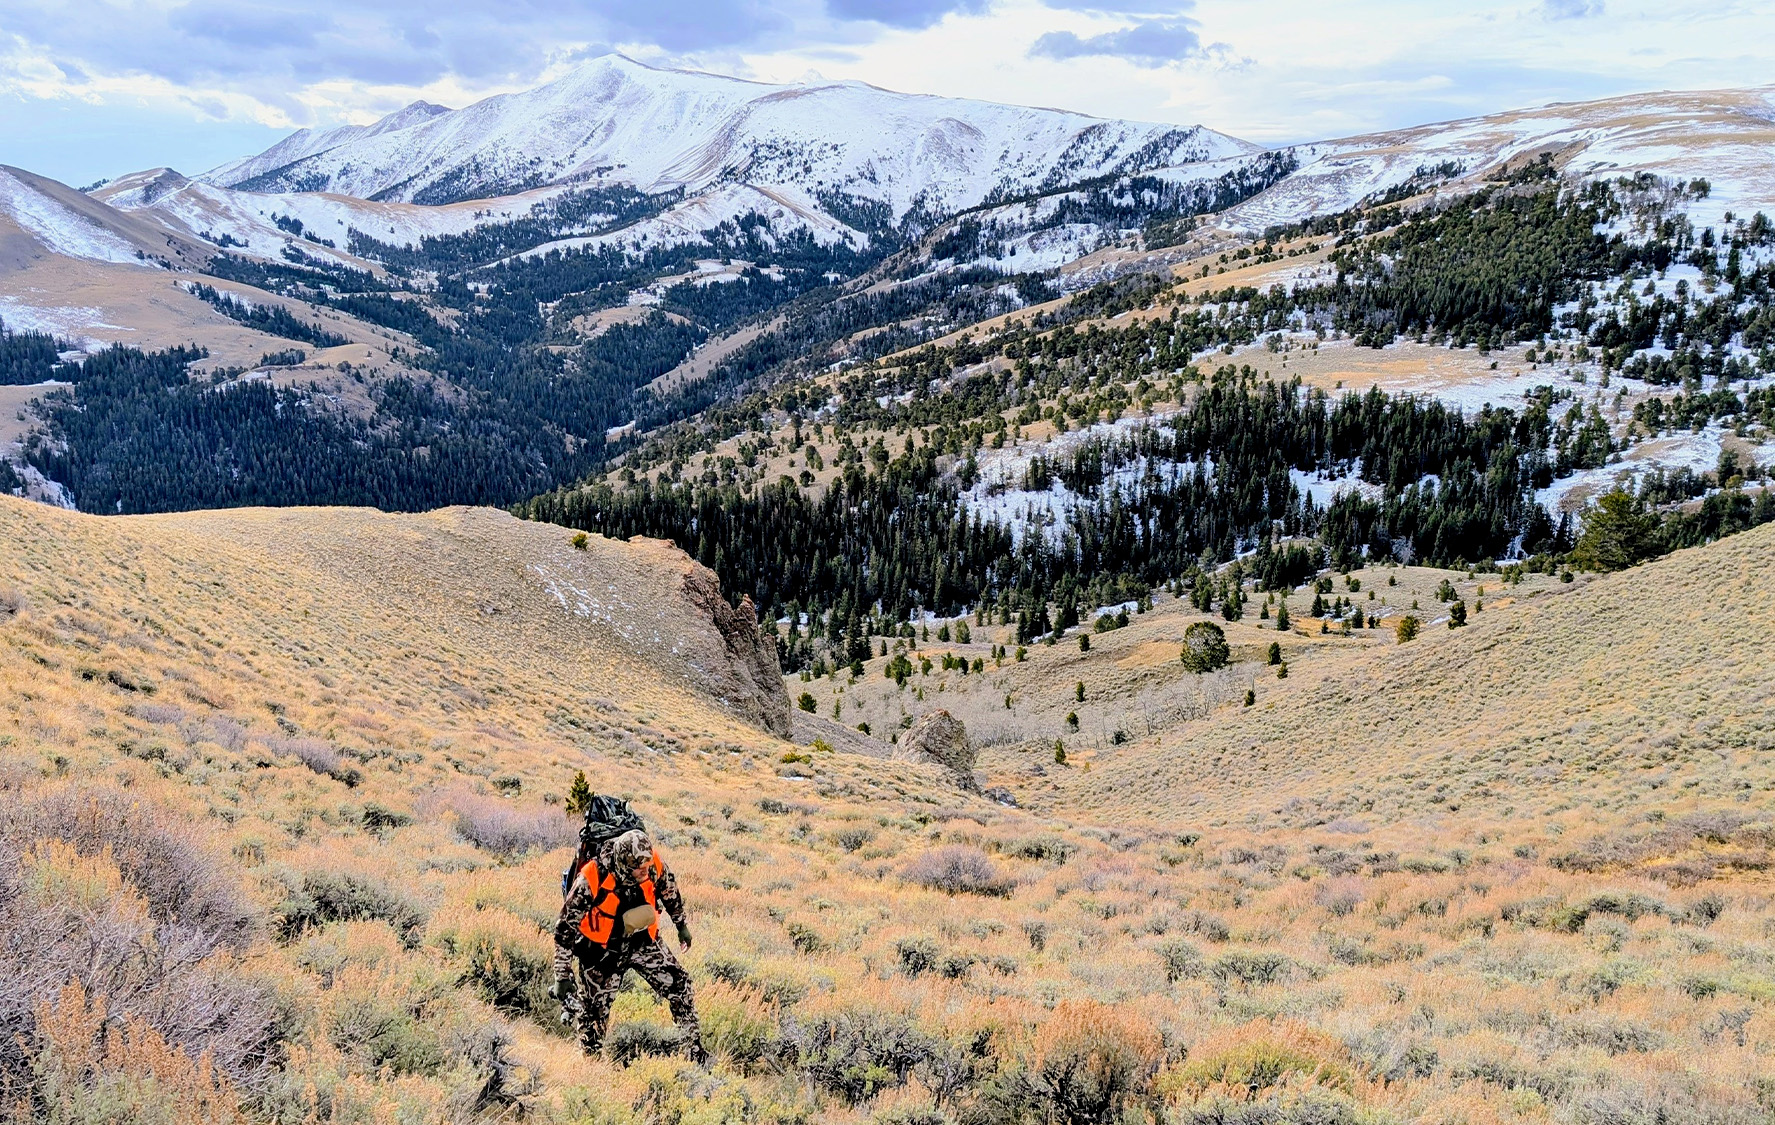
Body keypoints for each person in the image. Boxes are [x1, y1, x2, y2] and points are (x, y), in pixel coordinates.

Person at [552, 828, 706, 1064]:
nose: (646, 871)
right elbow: (564, 929)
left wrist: (681, 924)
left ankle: (694, 1051)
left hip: (642, 942)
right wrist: (561, 975)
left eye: (647, 866)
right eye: (639, 869)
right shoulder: (592, 877)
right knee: (594, 1014)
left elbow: (668, 887)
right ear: (624, 864)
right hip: (602, 952)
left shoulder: (649, 860)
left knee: (680, 984)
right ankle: (590, 1066)